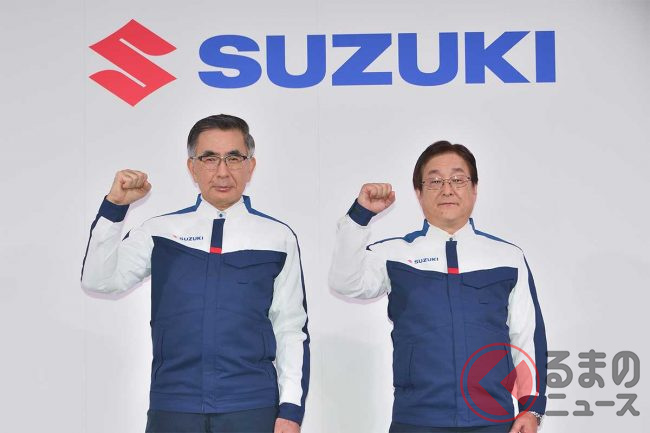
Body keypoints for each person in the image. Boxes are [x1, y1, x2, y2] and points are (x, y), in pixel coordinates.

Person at [81, 114, 309, 433]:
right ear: (192, 167)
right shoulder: (159, 231)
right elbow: (98, 280)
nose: (222, 171)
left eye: (234, 158)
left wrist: (291, 410)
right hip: (174, 406)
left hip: (251, 406)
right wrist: (114, 208)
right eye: (210, 158)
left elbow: (290, 329)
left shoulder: (277, 237)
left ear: (250, 166)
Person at [328, 141, 547, 433]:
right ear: (418, 192)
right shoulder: (394, 253)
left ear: (474, 188)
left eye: (458, 179)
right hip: (417, 420)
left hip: (492, 421)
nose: (447, 189)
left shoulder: (507, 257)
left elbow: (526, 337)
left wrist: (531, 408)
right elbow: (345, 282)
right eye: (434, 181)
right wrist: (360, 216)